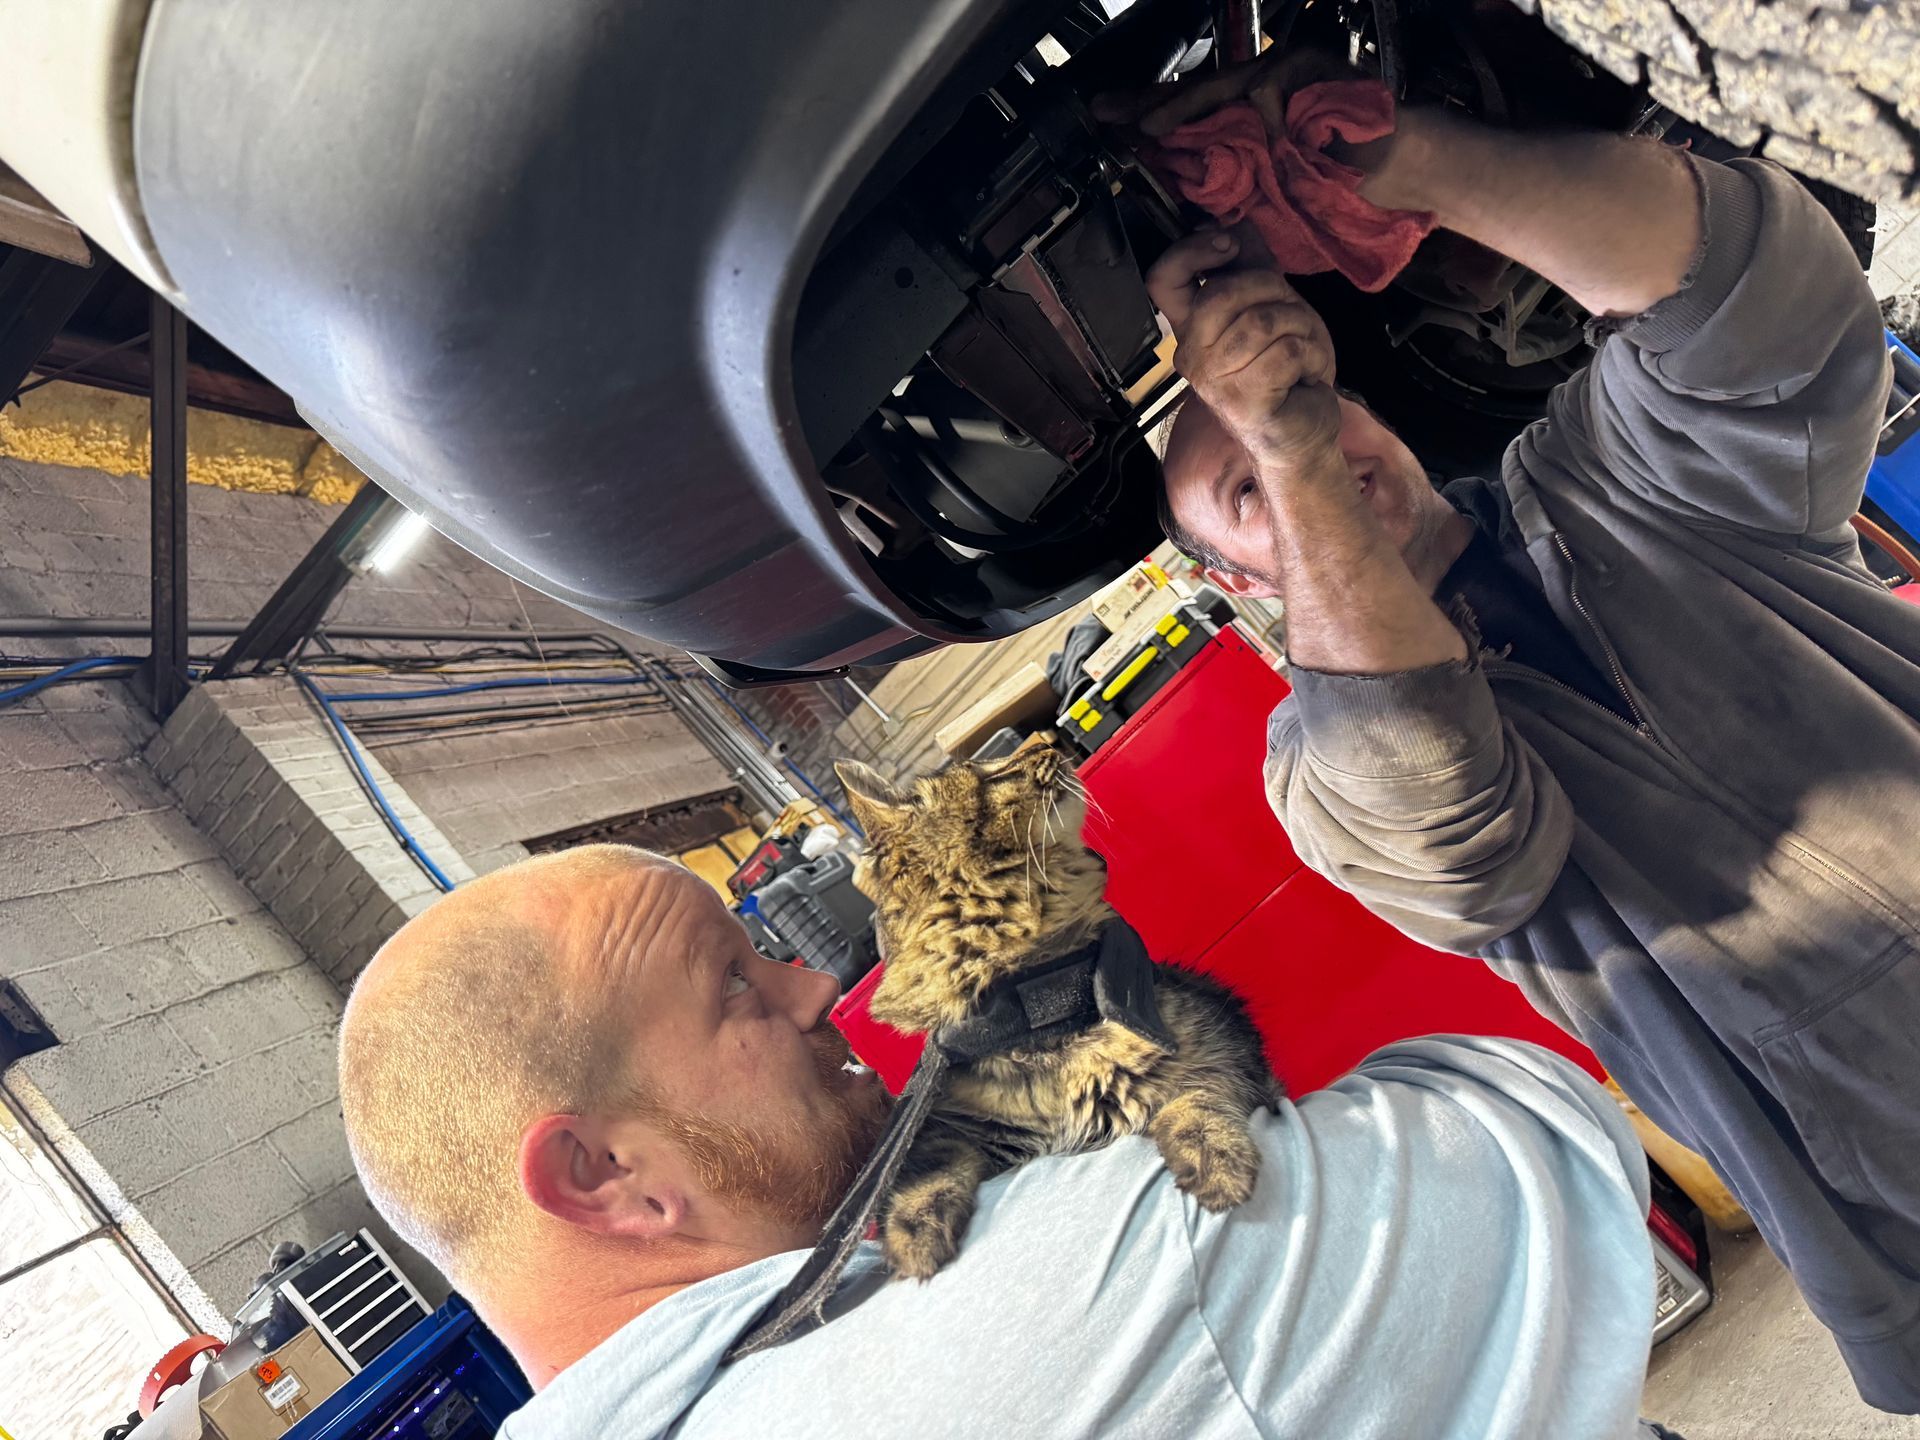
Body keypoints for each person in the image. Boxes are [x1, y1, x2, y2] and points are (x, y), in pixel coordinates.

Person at [1143, 58, 1920, 1411]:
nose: (1307, 432)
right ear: (1231, 582)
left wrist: (1396, 165)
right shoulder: (1310, 777)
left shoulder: (1605, 479)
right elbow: (1451, 813)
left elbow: (1768, 304)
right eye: (1245, 485)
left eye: (1320, 398)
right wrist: (1289, 443)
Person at [338, 844, 1664, 1438]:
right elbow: (1535, 1135)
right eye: (735, 987)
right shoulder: (1100, 1291)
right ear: (602, 1176)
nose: (817, 993)